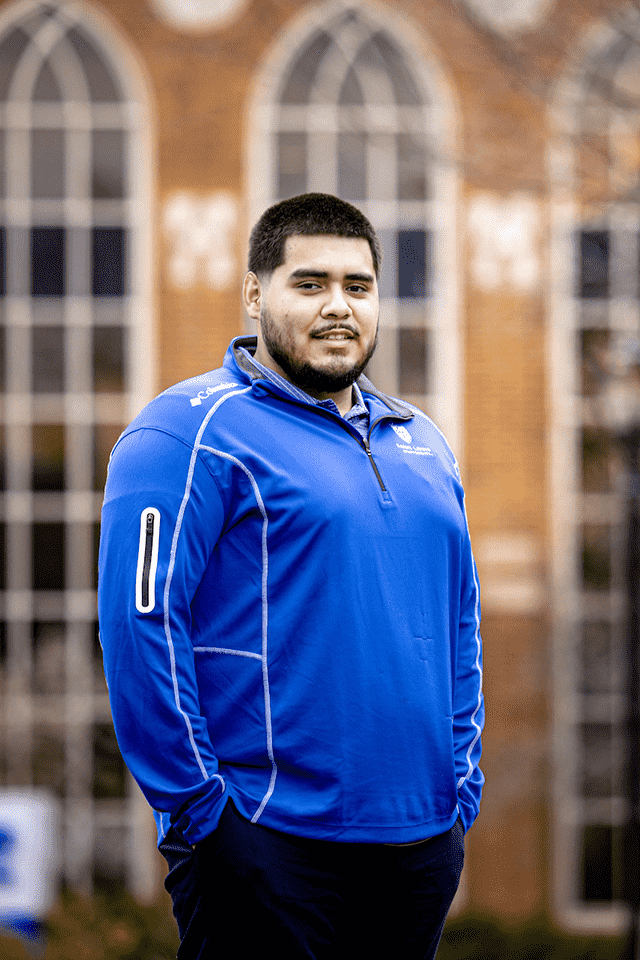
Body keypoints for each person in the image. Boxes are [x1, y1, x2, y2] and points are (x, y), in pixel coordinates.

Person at [98, 193, 484, 959]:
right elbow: (139, 622)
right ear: (255, 294)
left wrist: (460, 788)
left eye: (358, 286)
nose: (338, 307)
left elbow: (460, 622)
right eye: (309, 284)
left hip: (420, 846)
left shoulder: (425, 443)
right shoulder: (185, 432)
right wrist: (202, 810)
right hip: (265, 843)